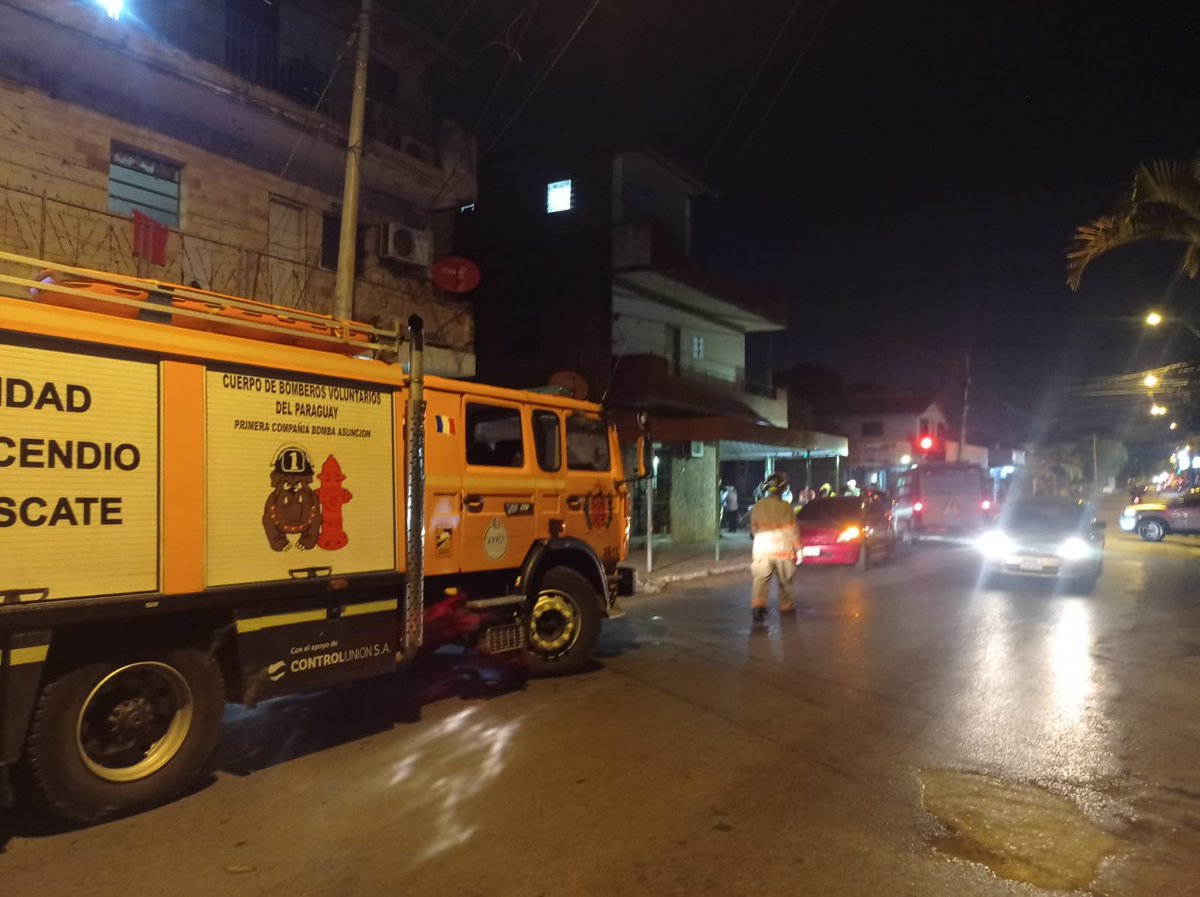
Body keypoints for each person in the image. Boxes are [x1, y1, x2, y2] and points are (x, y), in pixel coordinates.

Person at [749, 478, 801, 623]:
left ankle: (757, 608)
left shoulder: (757, 506)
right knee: (785, 581)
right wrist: (799, 548)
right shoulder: (785, 507)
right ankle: (786, 608)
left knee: (760, 581)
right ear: (782, 491)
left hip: (761, 550)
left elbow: (753, 530)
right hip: (781, 551)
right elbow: (791, 529)